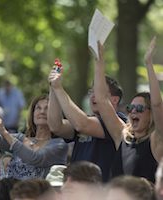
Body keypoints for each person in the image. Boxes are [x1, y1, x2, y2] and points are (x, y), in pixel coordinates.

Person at [94, 37, 163, 182]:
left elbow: (157, 105)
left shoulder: (157, 140)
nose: (133, 112)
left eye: (139, 108)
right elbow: (101, 99)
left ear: (151, 114)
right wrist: (99, 60)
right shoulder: (123, 136)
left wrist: (149, 63)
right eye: (130, 108)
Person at [48, 59, 127, 182]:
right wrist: (53, 88)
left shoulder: (119, 121)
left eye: (99, 92)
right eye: (92, 91)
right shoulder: (89, 120)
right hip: (75, 189)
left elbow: (81, 124)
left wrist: (59, 89)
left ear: (115, 100)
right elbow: (56, 126)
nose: (94, 96)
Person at [0, 90, 68, 180]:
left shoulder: (59, 144)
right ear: (32, 113)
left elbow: (34, 158)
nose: (42, 112)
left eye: (47, 108)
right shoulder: (21, 138)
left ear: (56, 114)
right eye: (38, 108)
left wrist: (4, 132)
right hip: (10, 193)